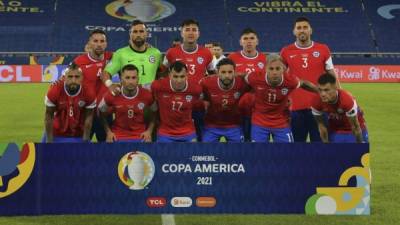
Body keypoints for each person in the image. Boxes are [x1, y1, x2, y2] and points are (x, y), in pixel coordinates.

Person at [280, 16, 339, 142]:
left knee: (319, 148)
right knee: (296, 148)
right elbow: (281, 78)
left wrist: (339, 99)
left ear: (310, 30)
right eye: (299, 28)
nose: (302, 30)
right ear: (294, 31)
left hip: (320, 107)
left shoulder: (323, 49)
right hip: (295, 109)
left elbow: (332, 75)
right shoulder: (286, 51)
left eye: (305, 27)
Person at [244, 54, 317, 143]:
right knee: (259, 153)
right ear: (265, 69)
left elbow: (304, 84)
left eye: (278, 69)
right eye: (271, 69)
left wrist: (320, 91)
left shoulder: (290, 80)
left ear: (283, 69)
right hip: (259, 123)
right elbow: (242, 77)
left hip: (281, 123)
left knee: (286, 154)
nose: (274, 72)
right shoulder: (255, 77)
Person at [163, 19, 215, 141]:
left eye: (194, 30)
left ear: (199, 33)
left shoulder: (207, 53)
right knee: (176, 136)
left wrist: (207, 98)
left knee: (200, 138)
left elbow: (213, 77)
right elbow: (162, 74)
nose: (190, 33)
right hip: (176, 105)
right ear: (181, 33)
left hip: (198, 105)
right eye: (187, 30)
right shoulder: (171, 53)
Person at [98, 64, 155, 142]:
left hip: (140, 136)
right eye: (127, 78)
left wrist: (149, 131)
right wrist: (108, 132)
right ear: (121, 79)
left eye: (133, 78)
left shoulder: (147, 95)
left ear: (138, 79)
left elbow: (155, 113)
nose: (131, 81)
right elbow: (100, 112)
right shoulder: (112, 94)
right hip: (118, 136)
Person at [73, 29, 113, 142]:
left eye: (102, 41)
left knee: (107, 151)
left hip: (105, 114)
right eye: (95, 41)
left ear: (106, 44)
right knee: (81, 151)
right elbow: (66, 80)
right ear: (89, 43)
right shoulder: (79, 61)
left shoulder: (112, 58)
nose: (99, 44)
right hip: (84, 113)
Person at [228, 28, 267, 142]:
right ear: (240, 42)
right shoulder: (232, 58)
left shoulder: (264, 59)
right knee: (238, 141)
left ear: (257, 41)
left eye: (252, 38)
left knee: (254, 141)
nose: (249, 41)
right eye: (245, 39)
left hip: (258, 109)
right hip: (236, 108)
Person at [102, 20, 162, 92]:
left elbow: (162, 73)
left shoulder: (156, 53)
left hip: (151, 98)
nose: (138, 34)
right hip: (129, 97)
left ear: (147, 33)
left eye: (141, 31)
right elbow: (105, 73)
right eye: (135, 32)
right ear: (130, 34)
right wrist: (110, 85)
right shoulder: (120, 53)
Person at [43, 63, 96, 143]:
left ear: (82, 78)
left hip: (78, 134)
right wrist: (49, 141)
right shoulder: (55, 90)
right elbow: (48, 116)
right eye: (70, 77)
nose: (73, 80)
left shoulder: (89, 92)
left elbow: (89, 116)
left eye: (77, 77)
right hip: (56, 133)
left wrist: (85, 140)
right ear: (64, 78)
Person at [151, 61, 202, 142]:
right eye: (175, 76)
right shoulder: (158, 86)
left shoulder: (196, 89)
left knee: (193, 153)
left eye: (182, 76)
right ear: (169, 75)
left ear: (187, 76)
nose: (179, 80)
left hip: (188, 131)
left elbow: (199, 105)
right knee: (162, 154)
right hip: (165, 132)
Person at [311, 73, 368, 143]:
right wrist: (325, 145)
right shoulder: (316, 101)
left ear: (335, 88)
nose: (322, 94)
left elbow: (355, 127)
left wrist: (359, 147)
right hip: (336, 130)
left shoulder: (346, 100)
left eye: (326, 90)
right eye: (320, 90)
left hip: (354, 129)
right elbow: (321, 126)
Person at [201, 58, 247, 142]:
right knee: (206, 152)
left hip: (234, 126)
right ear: (217, 73)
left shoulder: (242, 83)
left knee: (239, 153)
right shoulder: (206, 83)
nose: (227, 75)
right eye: (223, 72)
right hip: (211, 126)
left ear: (234, 72)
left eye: (230, 72)